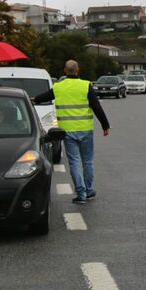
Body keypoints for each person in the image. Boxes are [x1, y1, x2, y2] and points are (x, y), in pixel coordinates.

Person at [34, 60, 110, 205]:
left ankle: (80, 194)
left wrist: (33, 99)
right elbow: (96, 107)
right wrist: (105, 125)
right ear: (78, 70)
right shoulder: (86, 85)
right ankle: (89, 190)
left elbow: (43, 97)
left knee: (74, 162)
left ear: (64, 71)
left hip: (67, 131)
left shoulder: (58, 87)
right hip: (85, 129)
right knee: (87, 161)